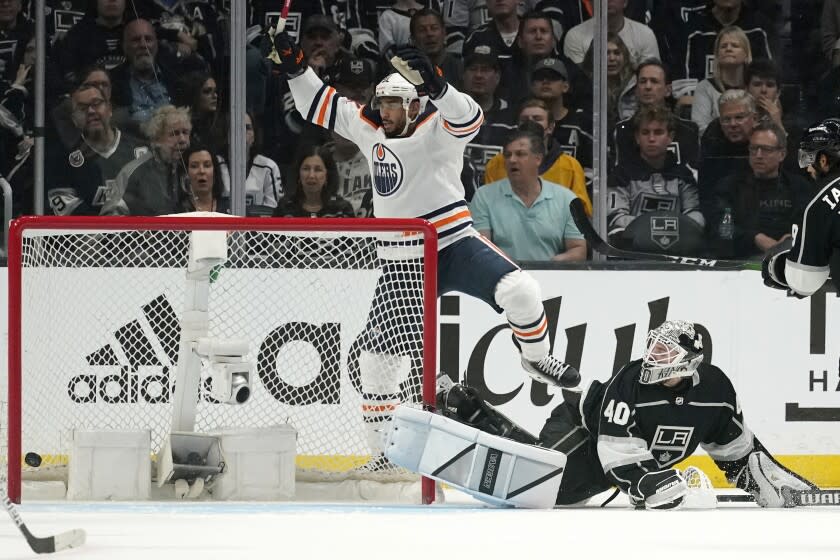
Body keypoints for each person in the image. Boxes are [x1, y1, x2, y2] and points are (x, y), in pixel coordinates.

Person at [269, 27, 580, 464]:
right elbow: (316, 103)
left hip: (453, 243)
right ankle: (381, 456)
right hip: (402, 261)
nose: (387, 110)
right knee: (377, 362)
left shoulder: (437, 128)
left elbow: (470, 117)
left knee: (521, 291)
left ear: (415, 104)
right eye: (383, 103)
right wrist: (295, 66)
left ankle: (536, 358)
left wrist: (438, 84)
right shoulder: (369, 127)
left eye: (395, 103)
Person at [437, 319, 818, 508]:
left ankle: (468, 409)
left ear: (690, 362)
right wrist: (646, 484)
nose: (654, 358)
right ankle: (464, 407)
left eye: (665, 353)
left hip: (610, 458)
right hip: (585, 430)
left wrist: (768, 482)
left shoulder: (716, 390)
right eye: (654, 349)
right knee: (535, 482)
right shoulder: (632, 380)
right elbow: (617, 451)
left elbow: (735, 451)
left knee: (558, 495)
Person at [470, 124, 587, 262]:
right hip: (502, 278)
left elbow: (578, 250)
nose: (512, 160)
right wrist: (514, 270)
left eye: (520, 154)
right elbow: (482, 249)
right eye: (507, 155)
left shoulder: (566, 199)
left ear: (538, 159)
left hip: (552, 279)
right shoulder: (484, 196)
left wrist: (548, 267)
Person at [707, 122, 813, 259]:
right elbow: (720, 227)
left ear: (782, 154)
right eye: (754, 148)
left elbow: (810, 226)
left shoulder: (799, 186)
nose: (758, 155)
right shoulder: (729, 187)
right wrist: (755, 238)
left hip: (791, 258)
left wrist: (790, 238)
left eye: (766, 149)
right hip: (740, 260)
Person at [608, 105, 705, 253]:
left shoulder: (683, 174)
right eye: (645, 132)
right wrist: (654, 230)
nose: (651, 139)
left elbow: (695, 215)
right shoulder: (621, 174)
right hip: (634, 254)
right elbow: (616, 218)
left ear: (670, 137)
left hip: (677, 251)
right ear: (637, 137)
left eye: (658, 132)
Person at [763, 118, 840, 298]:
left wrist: (778, 267)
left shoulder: (819, 202)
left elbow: (804, 282)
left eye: (807, 158)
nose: (807, 169)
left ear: (823, 160)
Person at [45, 83, 146, 215]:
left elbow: (156, 199)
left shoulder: (141, 151)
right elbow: (65, 206)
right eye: (82, 108)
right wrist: (106, 229)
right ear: (74, 119)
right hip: (92, 234)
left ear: (109, 109)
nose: (91, 111)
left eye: (96, 103)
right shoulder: (61, 160)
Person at [482, 98, 591, 216]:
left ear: (550, 127)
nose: (530, 123)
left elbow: (581, 214)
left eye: (537, 119)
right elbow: (487, 208)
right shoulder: (497, 163)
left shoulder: (570, 166)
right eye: (524, 120)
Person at [102, 104, 191, 216]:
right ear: (157, 138)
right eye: (175, 134)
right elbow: (112, 216)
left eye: (185, 132)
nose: (182, 140)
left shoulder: (188, 167)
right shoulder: (135, 171)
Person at [691, 26, 752, 134]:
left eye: (735, 45)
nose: (728, 49)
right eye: (723, 46)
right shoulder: (705, 87)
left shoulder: (754, 87)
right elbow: (700, 128)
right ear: (717, 55)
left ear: (746, 55)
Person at [273, 145, 354, 218]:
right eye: (306, 169)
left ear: (327, 176)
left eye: (318, 170)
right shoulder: (285, 207)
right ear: (298, 174)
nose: (311, 175)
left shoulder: (341, 209)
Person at [181, 145, 229, 214]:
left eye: (207, 165)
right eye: (194, 166)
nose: (202, 171)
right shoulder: (177, 210)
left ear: (214, 172)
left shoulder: (231, 207)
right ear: (186, 174)